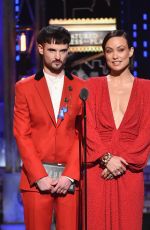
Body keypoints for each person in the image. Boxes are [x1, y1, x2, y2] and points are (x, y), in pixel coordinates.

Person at [13, 25, 84, 230]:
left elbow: (84, 134)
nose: (58, 56)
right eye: (52, 50)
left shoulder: (82, 87)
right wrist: (40, 176)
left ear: (68, 51)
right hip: (36, 181)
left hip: (69, 180)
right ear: (41, 49)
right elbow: (22, 134)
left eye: (63, 50)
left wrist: (70, 175)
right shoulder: (24, 88)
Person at [86, 30, 150, 230]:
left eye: (120, 50)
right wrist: (106, 159)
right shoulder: (92, 86)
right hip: (98, 170)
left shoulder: (147, 89)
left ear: (130, 51)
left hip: (129, 171)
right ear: (104, 55)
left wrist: (121, 163)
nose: (115, 56)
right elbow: (86, 127)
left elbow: (147, 131)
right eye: (109, 51)